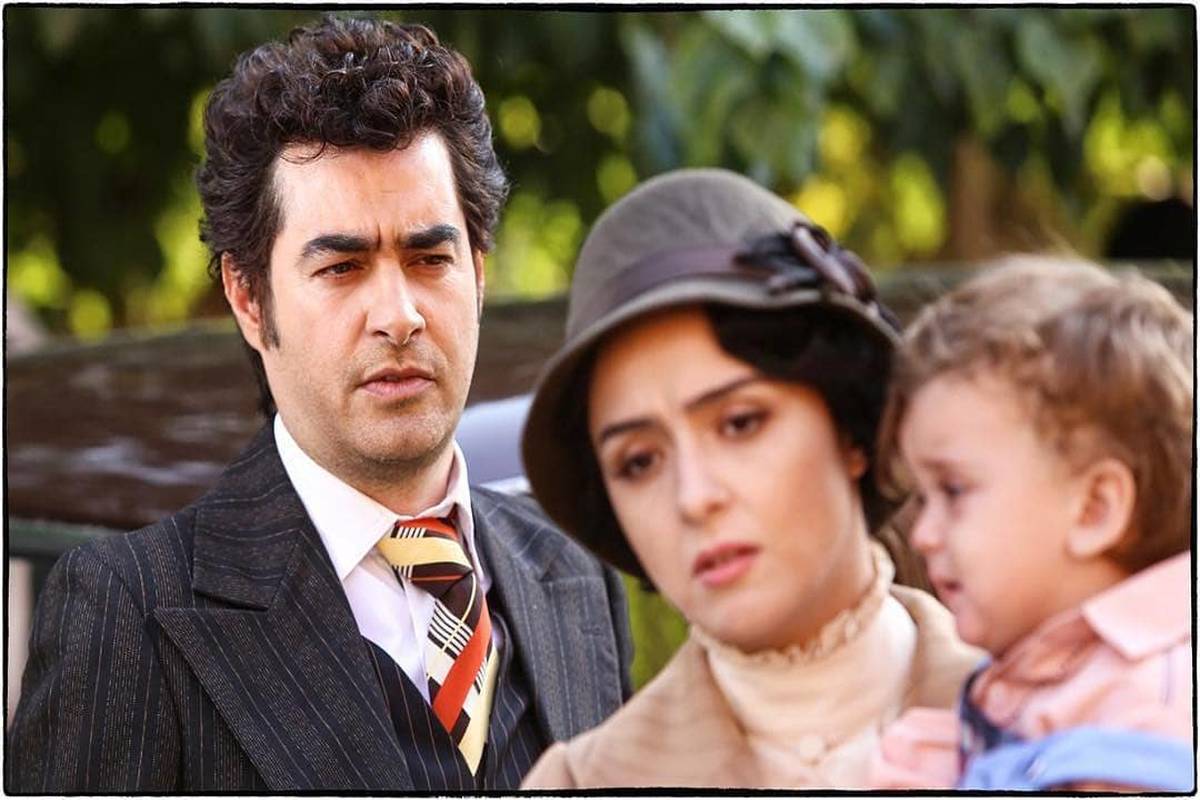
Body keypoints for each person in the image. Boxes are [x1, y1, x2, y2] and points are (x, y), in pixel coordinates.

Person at [7, 16, 631, 792]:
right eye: (341, 268)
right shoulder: (128, 613)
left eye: (429, 258)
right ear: (248, 297)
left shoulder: (574, 572)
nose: (398, 315)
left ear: (477, 273)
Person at [517, 168, 982, 789]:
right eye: (639, 462)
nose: (694, 498)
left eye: (740, 423)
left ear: (852, 430)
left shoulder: (1062, 722)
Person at [870, 257, 1193, 791]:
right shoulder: (1035, 679)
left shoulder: (1152, 716)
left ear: (1093, 509)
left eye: (954, 490)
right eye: (922, 499)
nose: (923, 535)